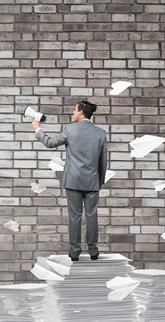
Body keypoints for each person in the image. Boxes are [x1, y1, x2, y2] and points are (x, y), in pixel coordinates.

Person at [31, 101, 107, 261]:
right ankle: (93, 251)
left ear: (81, 113)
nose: (72, 113)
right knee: (92, 216)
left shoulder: (70, 130)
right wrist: (100, 180)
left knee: (75, 216)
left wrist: (38, 129)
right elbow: (103, 160)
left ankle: (75, 252)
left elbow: (50, 143)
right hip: (92, 181)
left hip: (73, 180)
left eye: (74, 110)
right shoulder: (100, 133)